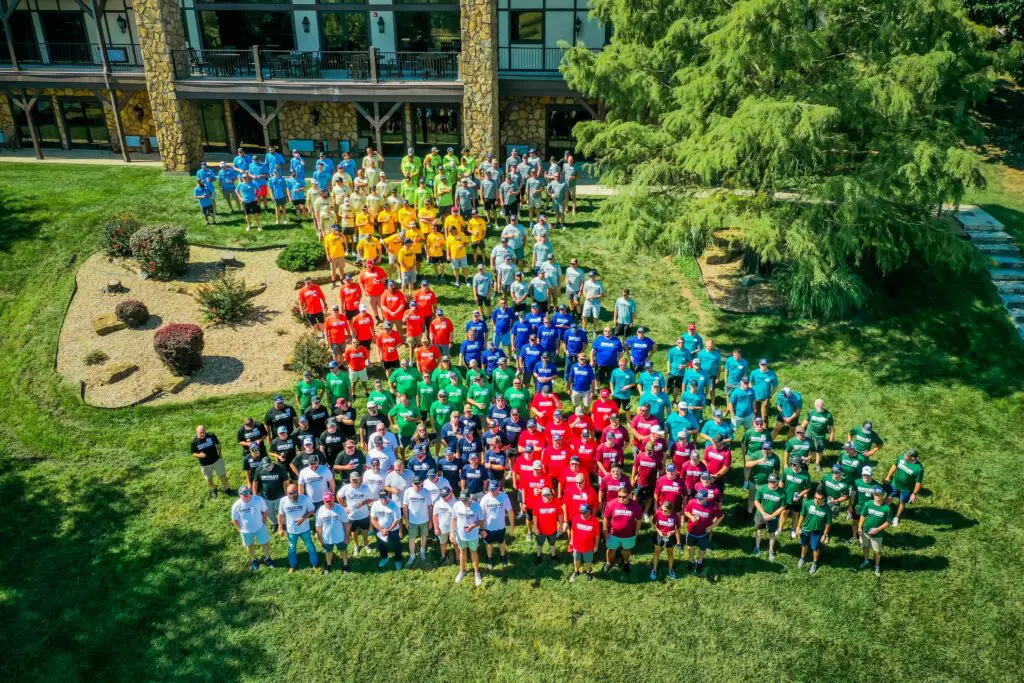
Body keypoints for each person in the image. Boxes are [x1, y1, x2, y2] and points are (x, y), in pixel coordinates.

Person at [231, 486, 274, 572]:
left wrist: (264, 523)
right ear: (240, 495)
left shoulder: (258, 499)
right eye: (243, 493)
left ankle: (267, 558)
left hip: (260, 527)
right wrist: (240, 529)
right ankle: (254, 560)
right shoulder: (236, 505)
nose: (246, 494)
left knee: (265, 543)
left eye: (247, 492)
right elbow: (234, 519)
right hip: (245, 531)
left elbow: (265, 510)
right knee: (249, 546)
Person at [278, 484, 318, 573]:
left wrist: (303, 518)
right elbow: (280, 514)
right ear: (286, 493)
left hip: (305, 529)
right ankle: (293, 565)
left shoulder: (305, 499)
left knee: (310, 546)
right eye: (290, 493)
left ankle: (314, 564)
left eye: (294, 493)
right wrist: (280, 528)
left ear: (298, 491)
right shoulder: (283, 501)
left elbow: (312, 509)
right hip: (291, 531)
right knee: (291, 548)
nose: (292, 495)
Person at [602, 485, 643, 574]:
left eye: (624, 497)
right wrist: (605, 530)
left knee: (626, 550)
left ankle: (625, 562)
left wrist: (637, 531)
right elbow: (606, 518)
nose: (621, 499)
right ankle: (609, 563)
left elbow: (639, 519)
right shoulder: (611, 504)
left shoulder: (636, 506)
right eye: (619, 496)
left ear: (629, 495)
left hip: (629, 535)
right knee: (611, 550)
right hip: (613, 534)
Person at [683, 489, 723, 575]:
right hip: (691, 531)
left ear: (706, 498)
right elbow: (686, 511)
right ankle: (691, 560)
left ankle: (700, 562)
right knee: (690, 546)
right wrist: (691, 516)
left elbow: (721, 516)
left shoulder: (712, 507)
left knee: (702, 548)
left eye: (701, 499)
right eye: (697, 498)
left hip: (703, 533)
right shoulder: (692, 502)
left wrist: (711, 526)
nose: (698, 500)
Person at [452, 489, 485, 586]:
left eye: (465, 500)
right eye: (462, 500)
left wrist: (473, 526)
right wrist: (452, 533)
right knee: (462, 551)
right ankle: (462, 571)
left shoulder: (476, 506)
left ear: (470, 497)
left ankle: (476, 573)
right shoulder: (457, 505)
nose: (464, 502)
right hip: (460, 534)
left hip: (473, 535)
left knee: (473, 552)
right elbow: (453, 519)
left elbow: (481, 520)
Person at [884, 448, 924, 527]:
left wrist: (914, 494)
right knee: (889, 497)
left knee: (902, 502)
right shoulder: (901, 458)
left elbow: (918, 482)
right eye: (906, 453)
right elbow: (895, 466)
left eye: (907, 455)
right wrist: (888, 476)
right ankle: (884, 513)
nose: (905, 455)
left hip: (907, 489)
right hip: (894, 484)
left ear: (913, 458)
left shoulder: (918, 468)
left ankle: (896, 517)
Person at [796, 489, 832, 574]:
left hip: (817, 532)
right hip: (805, 529)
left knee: (815, 548)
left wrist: (824, 535)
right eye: (815, 497)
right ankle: (802, 558)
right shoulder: (807, 503)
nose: (816, 500)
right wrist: (798, 527)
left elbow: (828, 523)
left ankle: (815, 563)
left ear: (823, 499)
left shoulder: (827, 509)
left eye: (819, 499)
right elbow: (802, 515)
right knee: (804, 545)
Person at [859, 487, 893, 576]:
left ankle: (877, 566)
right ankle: (866, 560)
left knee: (877, 551)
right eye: (875, 494)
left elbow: (888, 522)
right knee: (865, 546)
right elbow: (862, 516)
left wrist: (877, 530)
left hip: (878, 534)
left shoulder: (887, 509)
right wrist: (859, 527)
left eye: (880, 494)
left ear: (883, 495)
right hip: (865, 531)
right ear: (873, 495)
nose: (877, 496)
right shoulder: (867, 504)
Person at [480, 479, 515, 568]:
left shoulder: (504, 497)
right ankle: (489, 559)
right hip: (488, 527)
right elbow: (481, 517)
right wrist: (482, 530)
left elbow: (510, 512)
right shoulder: (484, 499)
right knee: (489, 543)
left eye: (494, 489)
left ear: (499, 488)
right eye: (490, 489)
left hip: (501, 527)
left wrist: (512, 527)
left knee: (501, 542)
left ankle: (503, 557)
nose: (492, 492)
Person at [315, 492, 351, 574]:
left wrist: (347, 536)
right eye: (327, 501)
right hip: (327, 538)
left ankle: (345, 565)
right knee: (328, 551)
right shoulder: (320, 511)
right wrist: (320, 540)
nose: (329, 503)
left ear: (333, 499)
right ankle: (328, 565)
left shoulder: (340, 509)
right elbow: (318, 527)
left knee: (343, 550)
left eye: (330, 500)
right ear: (324, 501)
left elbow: (346, 524)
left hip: (340, 536)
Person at [338, 471, 372, 556]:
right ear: (350, 479)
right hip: (351, 516)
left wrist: (363, 503)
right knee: (354, 531)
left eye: (356, 479)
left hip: (363, 514)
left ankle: (366, 544)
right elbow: (338, 496)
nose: (354, 481)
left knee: (364, 530)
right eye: (352, 479)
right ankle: (356, 545)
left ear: (359, 479)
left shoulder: (365, 488)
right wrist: (344, 507)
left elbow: (371, 499)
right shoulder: (346, 488)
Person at [191, 425, 229, 499]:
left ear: (205, 431)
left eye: (203, 432)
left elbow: (218, 444)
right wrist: (199, 455)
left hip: (216, 460)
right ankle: (214, 488)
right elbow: (193, 453)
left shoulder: (211, 436)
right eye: (200, 433)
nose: (202, 434)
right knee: (209, 478)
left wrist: (220, 455)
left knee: (222, 475)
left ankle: (227, 488)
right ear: (196, 432)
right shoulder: (194, 441)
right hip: (205, 464)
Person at [752, 473, 785, 560]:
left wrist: (772, 516)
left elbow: (782, 507)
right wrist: (763, 513)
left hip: (773, 517)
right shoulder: (762, 488)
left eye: (774, 482)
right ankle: (757, 547)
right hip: (760, 515)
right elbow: (756, 501)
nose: (771, 484)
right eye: (770, 481)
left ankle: (770, 550)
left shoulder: (782, 493)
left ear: (778, 482)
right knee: (759, 531)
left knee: (772, 533)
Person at [402, 476, 433, 566]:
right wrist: (406, 520)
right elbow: (405, 507)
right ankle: (412, 555)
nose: (418, 486)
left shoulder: (426, 492)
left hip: (424, 520)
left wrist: (430, 521)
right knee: (412, 538)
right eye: (416, 484)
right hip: (412, 520)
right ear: (412, 484)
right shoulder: (408, 492)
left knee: (424, 535)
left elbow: (430, 507)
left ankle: (422, 550)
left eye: (419, 484)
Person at [370, 488, 404, 570]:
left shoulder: (394, 505)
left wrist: (388, 530)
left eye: (385, 497)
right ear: (379, 497)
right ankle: (384, 558)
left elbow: (397, 520)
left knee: (396, 545)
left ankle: (398, 560)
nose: (384, 499)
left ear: (388, 496)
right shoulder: (375, 505)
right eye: (382, 497)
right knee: (381, 545)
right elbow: (373, 519)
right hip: (380, 530)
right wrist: (381, 530)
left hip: (393, 529)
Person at [780, 456, 812, 538]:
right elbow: (781, 482)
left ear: (800, 465)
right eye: (792, 464)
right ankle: (780, 528)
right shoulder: (787, 471)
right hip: (786, 498)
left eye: (795, 464)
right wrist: (780, 493)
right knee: (783, 512)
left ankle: (793, 529)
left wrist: (801, 495)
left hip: (797, 499)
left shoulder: (805, 475)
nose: (793, 466)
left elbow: (808, 488)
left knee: (795, 513)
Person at [568, 504, 600, 582]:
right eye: (581, 512)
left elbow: (597, 535)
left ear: (589, 511)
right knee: (576, 559)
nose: (582, 514)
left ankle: (588, 573)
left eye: (584, 512)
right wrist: (571, 540)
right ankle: (576, 572)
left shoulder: (595, 521)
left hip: (588, 547)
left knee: (588, 561)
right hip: (577, 545)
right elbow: (572, 530)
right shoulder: (575, 518)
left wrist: (596, 545)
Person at [651, 500, 682, 581]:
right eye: (662, 509)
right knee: (657, 551)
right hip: (659, 535)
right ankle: (654, 569)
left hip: (670, 537)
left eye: (665, 510)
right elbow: (654, 523)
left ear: (670, 510)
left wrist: (672, 532)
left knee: (670, 553)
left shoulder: (675, 517)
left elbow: (678, 528)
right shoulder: (658, 513)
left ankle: (671, 569)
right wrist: (659, 531)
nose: (662, 512)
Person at [802, 398, 835, 472]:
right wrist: (800, 431)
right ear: (815, 405)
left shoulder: (828, 415)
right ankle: (805, 461)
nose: (819, 407)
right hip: (809, 433)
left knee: (819, 450)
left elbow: (831, 427)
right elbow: (805, 422)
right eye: (817, 406)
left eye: (820, 406)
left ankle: (817, 464)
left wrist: (832, 436)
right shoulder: (811, 412)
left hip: (820, 436)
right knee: (806, 447)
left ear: (823, 405)